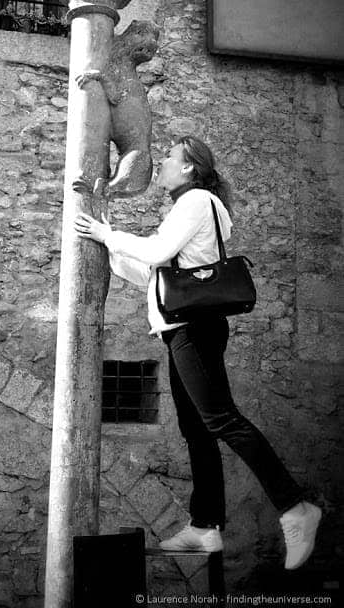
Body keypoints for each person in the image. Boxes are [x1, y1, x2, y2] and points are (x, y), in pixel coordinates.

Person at [74, 135, 321, 570]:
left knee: (221, 419)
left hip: (195, 329)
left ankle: (294, 507)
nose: (162, 164)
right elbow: (153, 273)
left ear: (188, 168)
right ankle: (205, 526)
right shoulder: (187, 208)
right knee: (198, 430)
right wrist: (108, 243)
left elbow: (156, 252)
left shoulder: (196, 202)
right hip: (182, 329)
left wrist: (109, 234)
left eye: (169, 158)